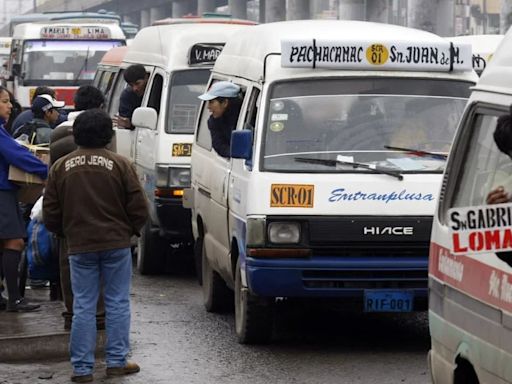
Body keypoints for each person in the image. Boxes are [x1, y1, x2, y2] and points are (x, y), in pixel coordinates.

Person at [43, 109, 148, 383]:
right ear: (108, 135)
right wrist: (129, 232)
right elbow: (139, 207)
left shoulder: (60, 167)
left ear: (76, 134)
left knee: (84, 306)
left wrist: (66, 234)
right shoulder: (120, 164)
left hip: (79, 246)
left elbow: (50, 213)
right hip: (116, 244)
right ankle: (116, 362)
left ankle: (81, 368)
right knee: (117, 303)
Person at [49, 85, 107, 331]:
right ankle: (100, 318)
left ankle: (72, 315)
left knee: (69, 265)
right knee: (103, 269)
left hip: (69, 216)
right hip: (103, 217)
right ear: (99, 107)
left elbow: (51, 183)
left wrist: (55, 223)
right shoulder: (105, 134)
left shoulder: (57, 134)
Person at [0, 85, 48, 312]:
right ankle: (15, 299)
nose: (10, 106)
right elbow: (17, 155)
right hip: (2, 193)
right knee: (15, 241)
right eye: (5, 101)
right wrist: (46, 170)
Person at [198, 81, 242, 158]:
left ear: (225, 102)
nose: (208, 107)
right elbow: (219, 146)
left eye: (211, 102)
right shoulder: (214, 121)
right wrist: (234, 153)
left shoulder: (245, 116)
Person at [116, 64, 148, 129]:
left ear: (146, 78)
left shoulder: (159, 90)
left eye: (137, 83)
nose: (135, 88)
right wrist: (129, 124)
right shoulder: (127, 95)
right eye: (131, 85)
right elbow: (125, 120)